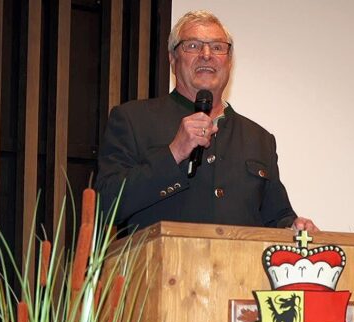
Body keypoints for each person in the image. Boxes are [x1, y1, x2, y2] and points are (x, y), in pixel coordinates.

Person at [96, 10, 316, 232]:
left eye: (218, 47)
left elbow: (277, 217)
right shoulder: (134, 120)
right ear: (172, 59)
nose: (206, 54)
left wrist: (293, 227)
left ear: (229, 62)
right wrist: (173, 153)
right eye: (193, 45)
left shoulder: (259, 139)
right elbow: (105, 206)